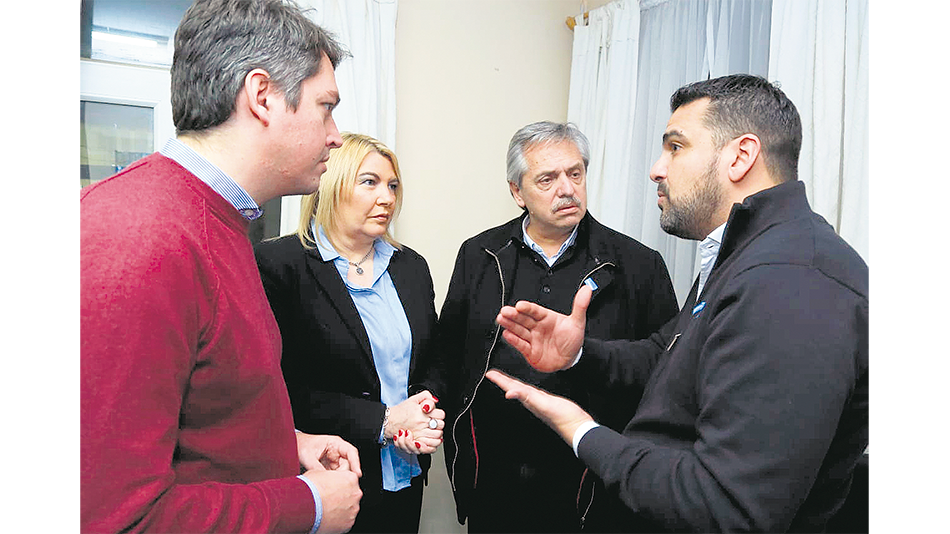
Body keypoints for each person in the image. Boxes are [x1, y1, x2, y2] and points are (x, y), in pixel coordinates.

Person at [487, 74, 869, 533]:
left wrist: (583, 432)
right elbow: (668, 357)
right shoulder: (743, 254)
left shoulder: (794, 281)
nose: (657, 168)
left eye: (676, 147)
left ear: (741, 156)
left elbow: (726, 506)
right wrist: (581, 354)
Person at [80, 1, 364, 533]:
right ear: (263, 98)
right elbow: (115, 519)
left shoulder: (217, 221)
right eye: (326, 107)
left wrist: (287, 443)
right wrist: (309, 504)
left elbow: (203, 408)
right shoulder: (143, 241)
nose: (336, 135)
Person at [438, 121, 679, 533]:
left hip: (592, 487)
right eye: (547, 179)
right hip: (494, 483)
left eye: (575, 174)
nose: (567, 189)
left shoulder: (639, 264)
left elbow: (667, 378)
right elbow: (448, 358)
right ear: (517, 192)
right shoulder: (480, 255)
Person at [254, 133, 446, 534]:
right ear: (333, 184)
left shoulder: (410, 266)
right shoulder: (280, 265)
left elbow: (435, 361)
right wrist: (385, 421)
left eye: (392, 185)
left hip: (405, 477)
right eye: (370, 182)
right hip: (330, 478)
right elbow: (275, 389)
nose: (387, 197)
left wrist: (421, 417)